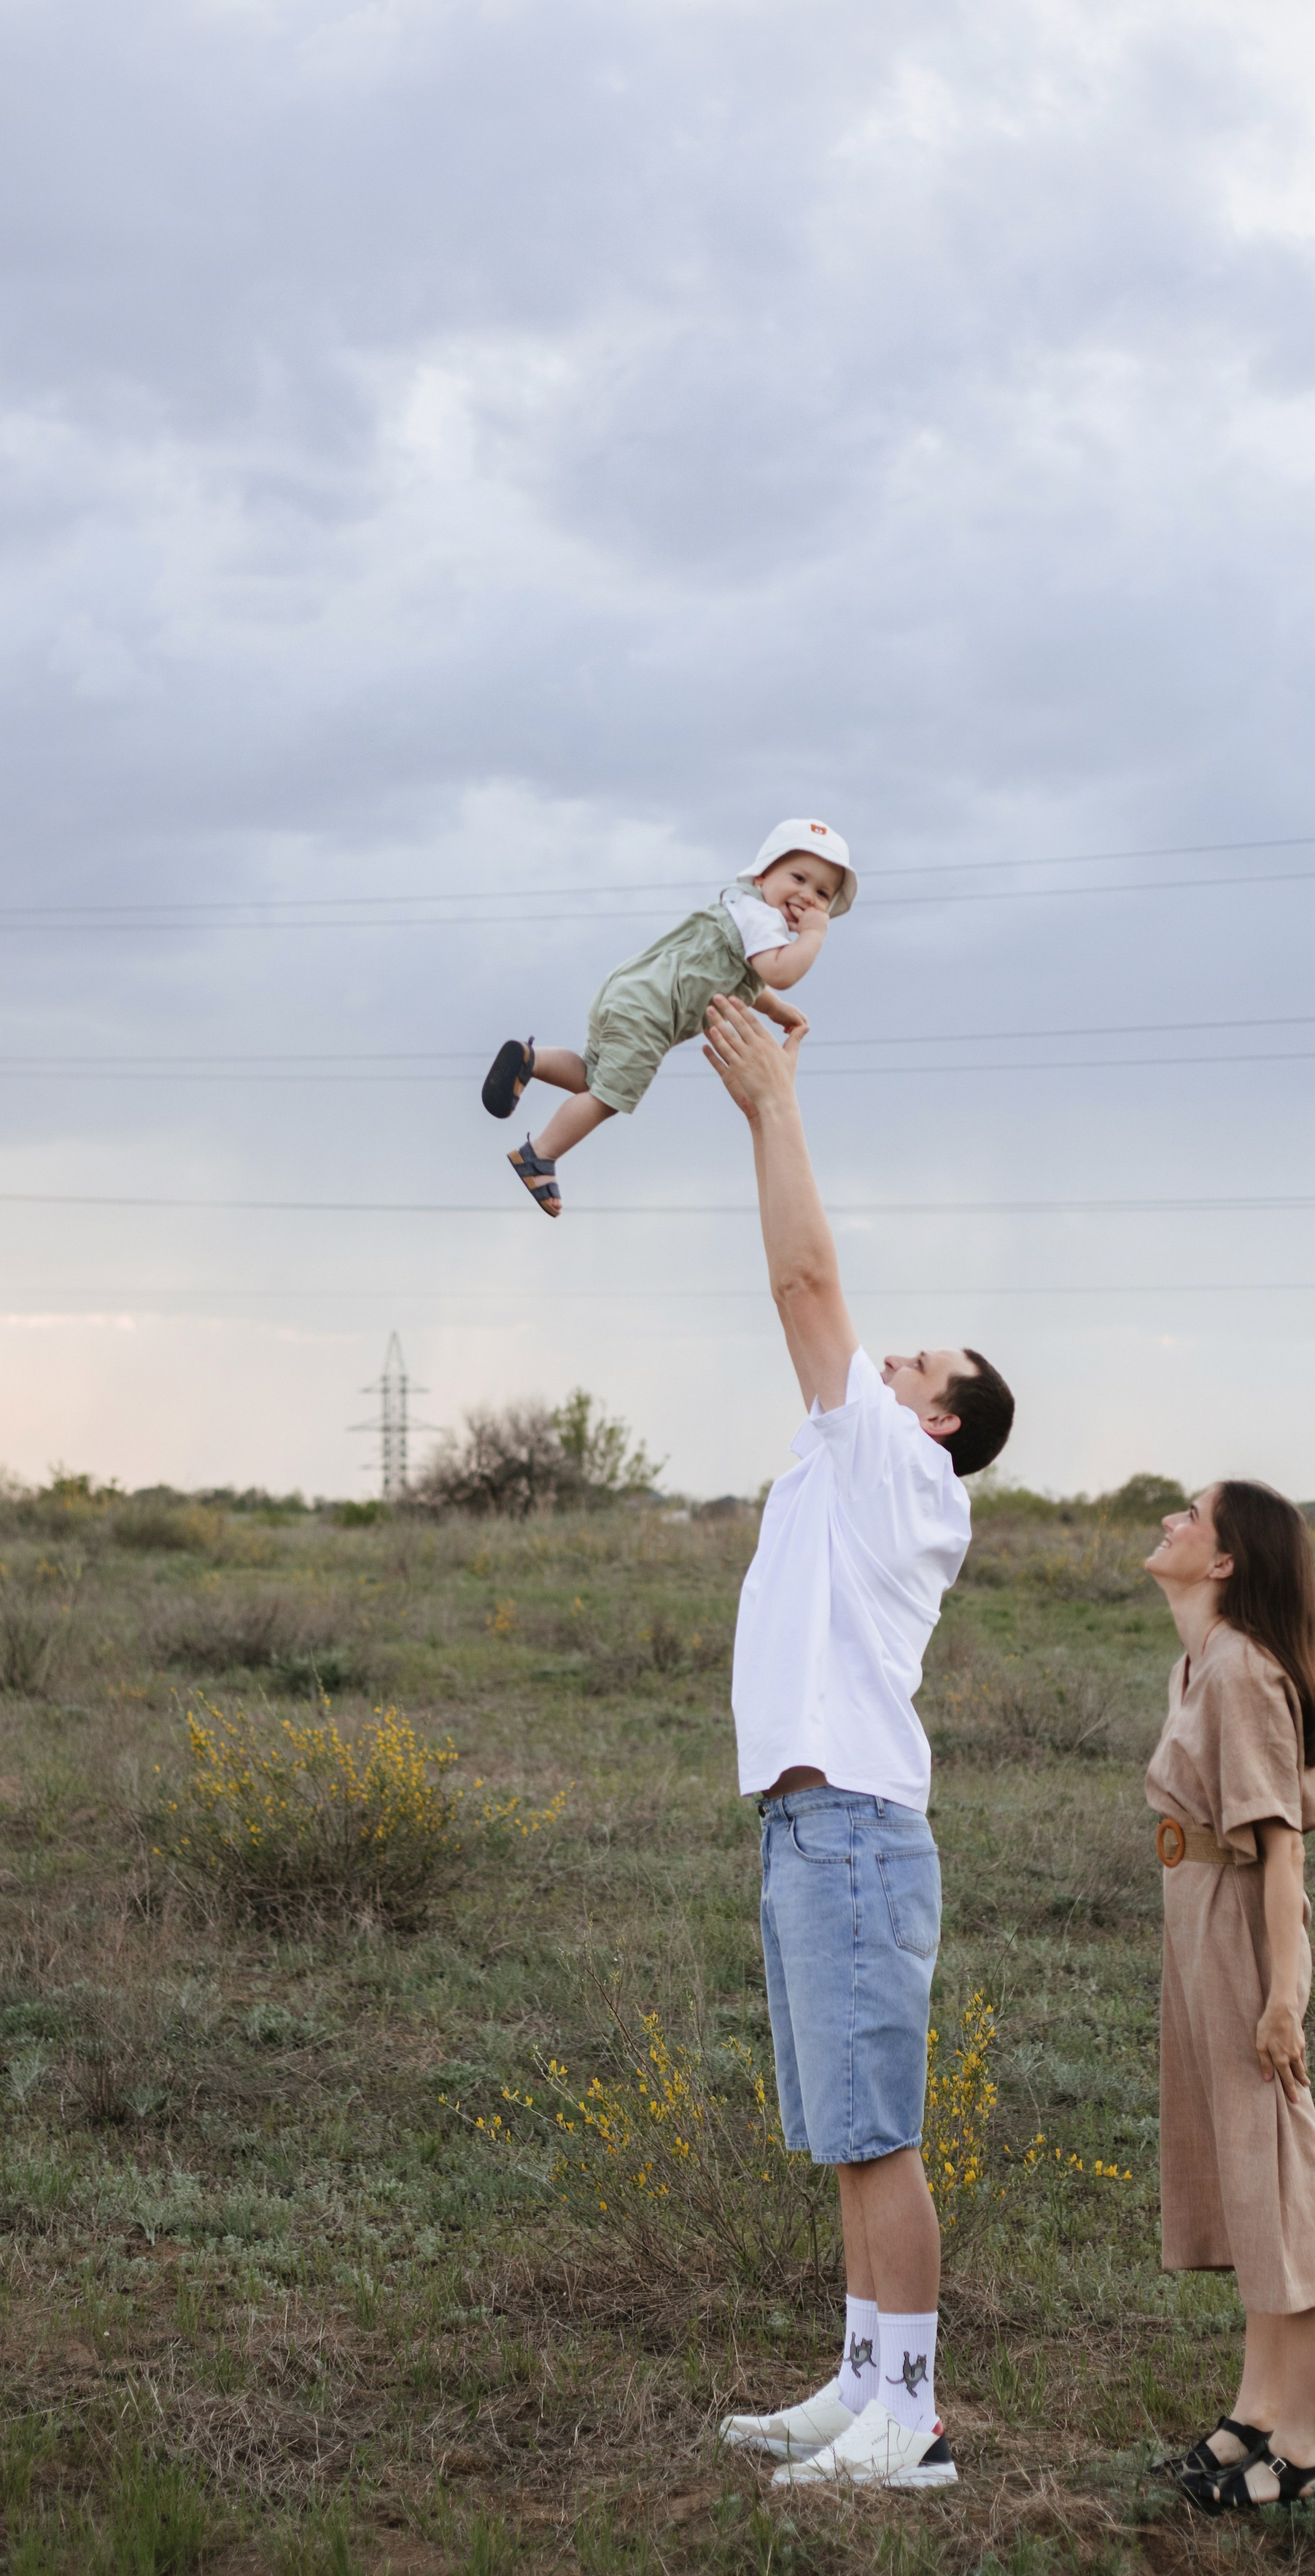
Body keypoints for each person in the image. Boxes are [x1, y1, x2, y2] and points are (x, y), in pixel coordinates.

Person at [703, 990, 1015, 2491]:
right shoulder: (852, 1456)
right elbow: (810, 1298)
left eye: (913, 1367)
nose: (883, 1363)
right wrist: (769, 1104)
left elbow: (804, 1277)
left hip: (851, 1833)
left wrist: (777, 1109)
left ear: (940, 1423)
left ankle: (915, 2421)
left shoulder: (903, 1473)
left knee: (877, 2133)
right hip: (808, 1827)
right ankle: (860, 2381)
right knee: (847, 2128)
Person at [1142, 1481, 1315, 2512]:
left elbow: (1282, 1857)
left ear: (1226, 1561)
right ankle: (1256, 2413)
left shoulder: (1240, 1673)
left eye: (1191, 1515)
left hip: (1239, 1933)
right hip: (1198, 1927)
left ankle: (1304, 2450)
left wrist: (1284, 2001)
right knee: (1247, 2174)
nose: (1172, 1522)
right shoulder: (1200, 1661)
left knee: (1285, 2181)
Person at [479, 819, 856, 1217]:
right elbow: (779, 972)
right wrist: (814, 936)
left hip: (629, 991)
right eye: (798, 877)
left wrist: (777, 1010)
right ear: (763, 874)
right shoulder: (763, 919)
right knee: (610, 1097)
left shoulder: (744, 910)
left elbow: (751, 979)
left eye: (822, 894)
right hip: (651, 1012)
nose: (807, 896)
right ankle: (539, 1156)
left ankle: (530, 1060)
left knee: (594, 1076)